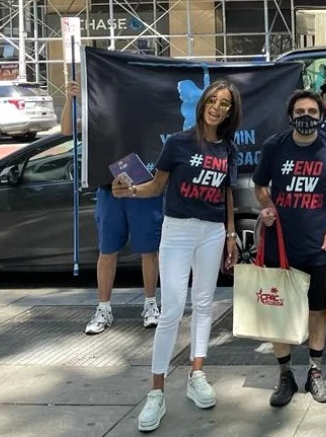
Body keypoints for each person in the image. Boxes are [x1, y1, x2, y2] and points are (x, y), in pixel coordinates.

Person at [129, 80, 242, 433]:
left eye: (224, 104)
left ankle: (197, 373)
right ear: (202, 103)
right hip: (177, 230)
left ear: (230, 111)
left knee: (205, 304)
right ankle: (156, 393)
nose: (217, 107)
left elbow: (227, 195)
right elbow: (157, 185)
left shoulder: (228, 149)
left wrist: (231, 234)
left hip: (212, 232)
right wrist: (130, 189)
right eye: (213, 100)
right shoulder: (178, 142)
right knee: (173, 309)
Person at [253, 89, 326, 407]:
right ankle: (285, 376)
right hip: (280, 244)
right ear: (290, 115)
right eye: (300, 111)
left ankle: (315, 373)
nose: (306, 117)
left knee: (317, 311)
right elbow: (260, 186)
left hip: (318, 244)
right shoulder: (274, 146)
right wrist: (267, 207)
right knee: (279, 312)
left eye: (312, 111)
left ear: (321, 115)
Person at [61, 80, 162, 335]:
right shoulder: (100, 118)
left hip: (143, 191)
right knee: (107, 252)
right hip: (109, 191)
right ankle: (103, 308)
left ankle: (151, 304)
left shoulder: (146, 116)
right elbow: (67, 130)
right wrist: (70, 99)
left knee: (149, 251)